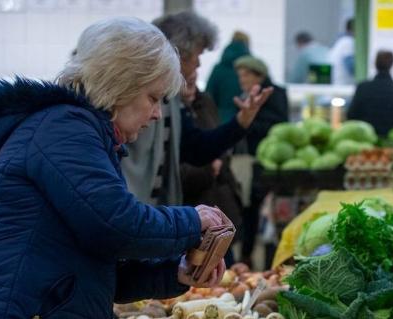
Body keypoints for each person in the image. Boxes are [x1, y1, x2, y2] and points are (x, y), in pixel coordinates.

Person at [0, 18, 227, 319]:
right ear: (119, 82)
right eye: (152, 98)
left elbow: (99, 262)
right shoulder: (63, 129)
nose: (155, 113)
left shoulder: (79, 136)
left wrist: (177, 273)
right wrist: (193, 221)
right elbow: (115, 223)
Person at [122, 11, 272, 206]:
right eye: (197, 55)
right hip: (130, 209)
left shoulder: (173, 100)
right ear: (178, 54)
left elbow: (195, 147)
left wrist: (241, 122)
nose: (199, 63)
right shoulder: (136, 94)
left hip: (150, 212)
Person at [233, 55, 289, 267]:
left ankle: (268, 258)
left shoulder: (275, 93)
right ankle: (247, 253)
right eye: (240, 76)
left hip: (269, 162)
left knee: (261, 208)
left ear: (259, 75)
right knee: (249, 207)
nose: (242, 80)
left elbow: (279, 124)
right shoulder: (246, 95)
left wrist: (249, 122)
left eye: (245, 75)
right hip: (251, 160)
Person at [179, 82, 244, 266]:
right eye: (186, 79)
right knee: (193, 273)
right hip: (189, 215)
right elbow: (193, 154)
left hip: (219, 210)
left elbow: (212, 145)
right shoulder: (171, 108)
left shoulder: (205, 101)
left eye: (193, 80)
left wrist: (241, 122)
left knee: (222, 273)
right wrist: (209, 170)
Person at [347, 50, 393, 137]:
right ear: (392, 64)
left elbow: (351, 115)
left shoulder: (363, 87)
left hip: (365, 140)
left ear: (375, 63)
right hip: (390, 142)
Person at [206, 30, 252, 123]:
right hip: (245, 120)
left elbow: (208, 96)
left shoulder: (218, 68)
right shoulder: (252, 69)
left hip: (219, 119)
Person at [329, 18, 355, 85]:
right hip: (342, 87)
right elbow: (352, 68)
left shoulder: (341, 42)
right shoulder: (348, 42)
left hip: (338, 86)